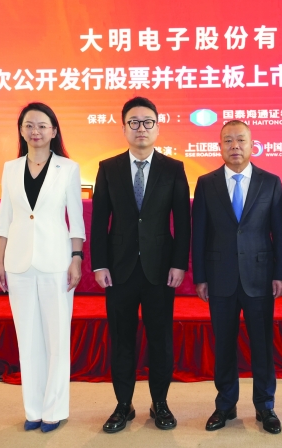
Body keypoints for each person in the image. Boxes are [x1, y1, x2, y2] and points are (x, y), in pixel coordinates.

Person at [91, 97, 191, 433]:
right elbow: (99, 220)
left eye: (148, 122)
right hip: (119, 270)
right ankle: (123, 405)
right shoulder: (108, 168)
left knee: (160, 339)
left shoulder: (173, 169)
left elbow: (183, 221)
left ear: (158, 128)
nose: (141, 128)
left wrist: (179, 263)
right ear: (124, 128)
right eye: (134, 122)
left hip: (160, 270)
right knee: (122, 339)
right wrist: (99, 264)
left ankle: (159, 403)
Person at [192, 120, 282, 435]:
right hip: (219, 276)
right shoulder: (206, 183)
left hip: (259, 276)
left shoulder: (270, 182)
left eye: (241, 140)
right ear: (220, 146)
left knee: (262, 344)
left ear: (251, 144)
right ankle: (225, 404)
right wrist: (200, 276)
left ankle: (265, 405)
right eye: (228, 140)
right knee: (223, 345)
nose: (235, 146)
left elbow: (280, 232)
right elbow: (199, 233)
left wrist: (281, 273)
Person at [0, 102, 85, 433]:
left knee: (56, 338)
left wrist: (76, 258)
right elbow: (4, 217)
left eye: (42, 125)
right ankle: (33, 409)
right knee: (28, 338)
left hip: (56, 261)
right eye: (29, 125)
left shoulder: (68, 168)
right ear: (21, 130)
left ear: (54, 131)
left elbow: (76, 219)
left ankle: (54, 409)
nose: (35, 131)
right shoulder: (10, 168)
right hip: (18, 263)